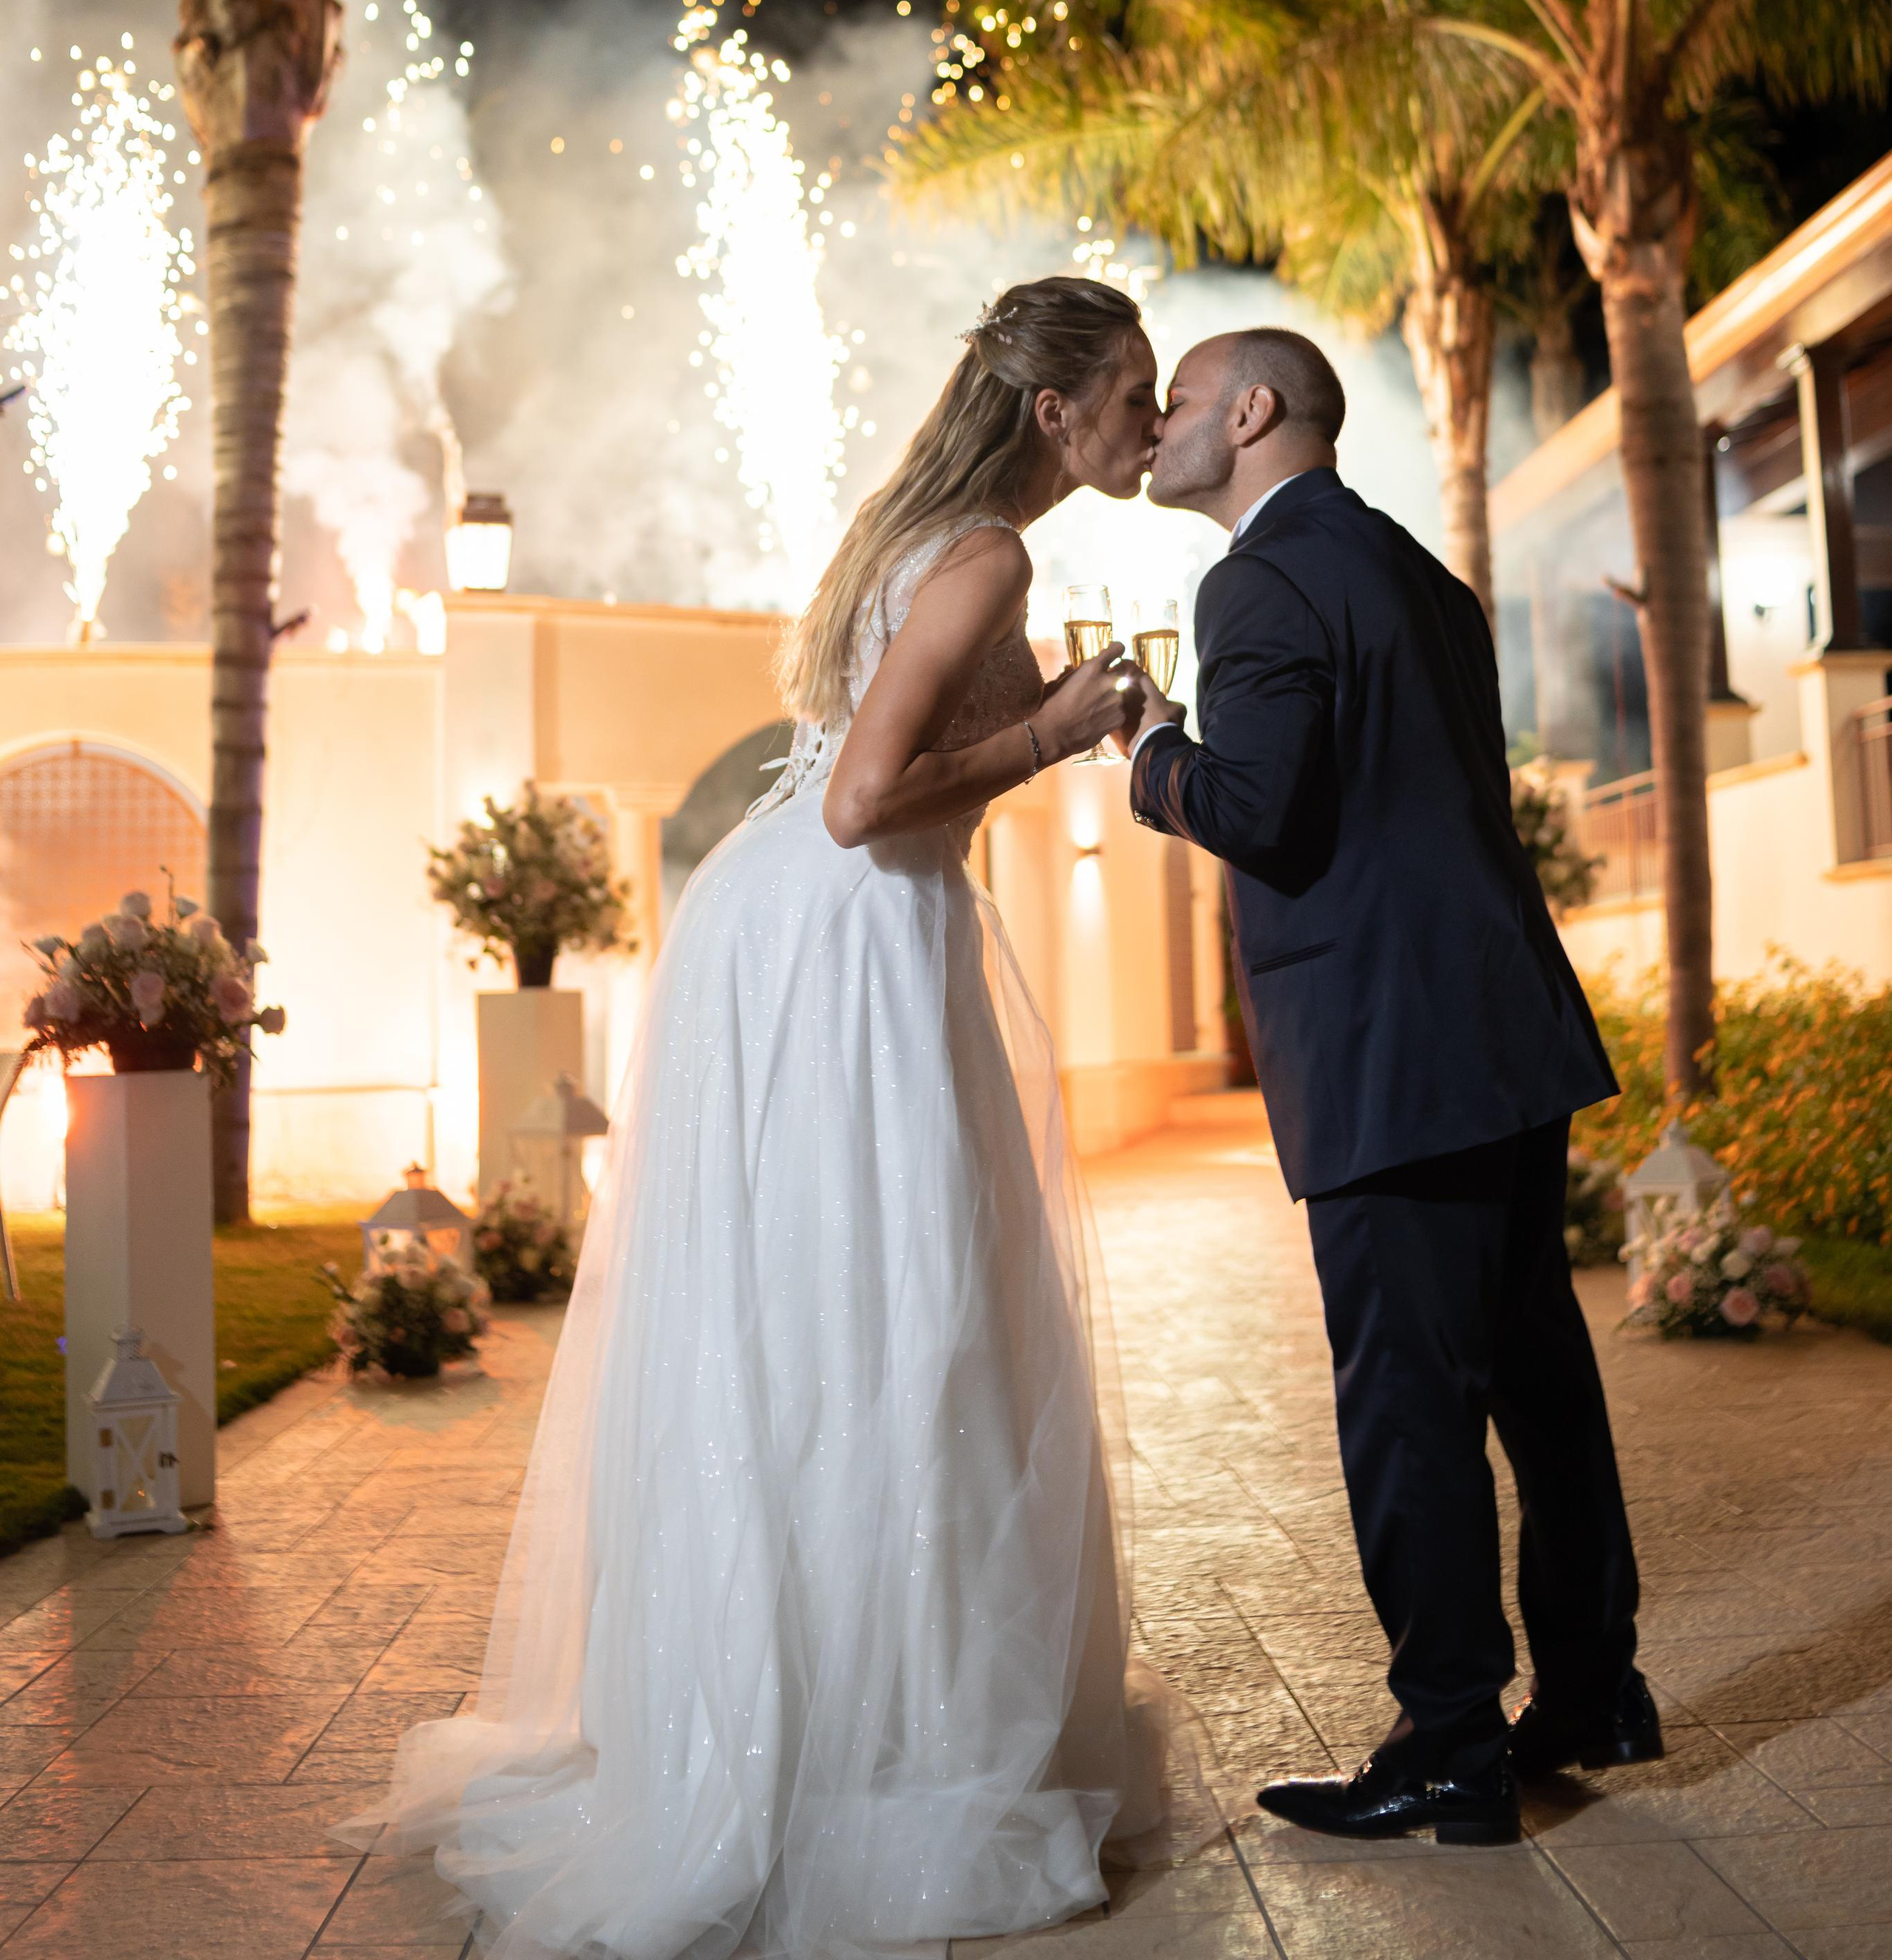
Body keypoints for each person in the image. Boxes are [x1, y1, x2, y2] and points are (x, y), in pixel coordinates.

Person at [366, 276, 1181, 1960]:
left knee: (826, 1315)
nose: (1146, 421)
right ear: (1054, 413)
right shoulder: (990, 554)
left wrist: (1035, 729)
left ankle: (830, 1698)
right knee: (895, 1316)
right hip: (848, 941)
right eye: (1128, 393)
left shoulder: (925, 533)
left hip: (795, 934)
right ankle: (866, 1743)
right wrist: (1059, 726)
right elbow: (874, 799)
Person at [1118, 325, 1654, 1848]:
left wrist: (1150, 747)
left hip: (1385, 1051)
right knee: (1534, 1374)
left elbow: (1263, 815)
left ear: (1254, 412)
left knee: (1408, 1406)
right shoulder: (1419, 572)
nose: (1155, 425)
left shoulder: (1253, 580)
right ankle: (1590, 1691)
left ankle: (1446, 1745)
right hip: (1495, 1030)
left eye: (1177, 403)